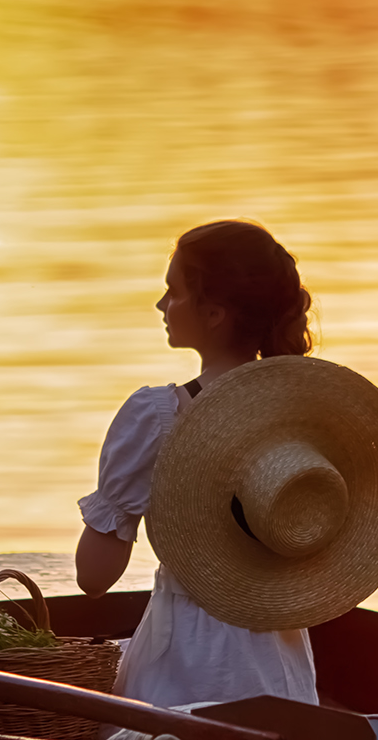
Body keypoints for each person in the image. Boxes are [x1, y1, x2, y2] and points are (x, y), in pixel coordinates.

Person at [75, 219, 321, 709]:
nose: (162, 305)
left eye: (173, 291)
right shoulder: (313, 414)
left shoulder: (160, 417)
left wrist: (118, 512)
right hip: (281, 662)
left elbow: (93, 577)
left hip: (189, 661)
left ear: (213, 313)